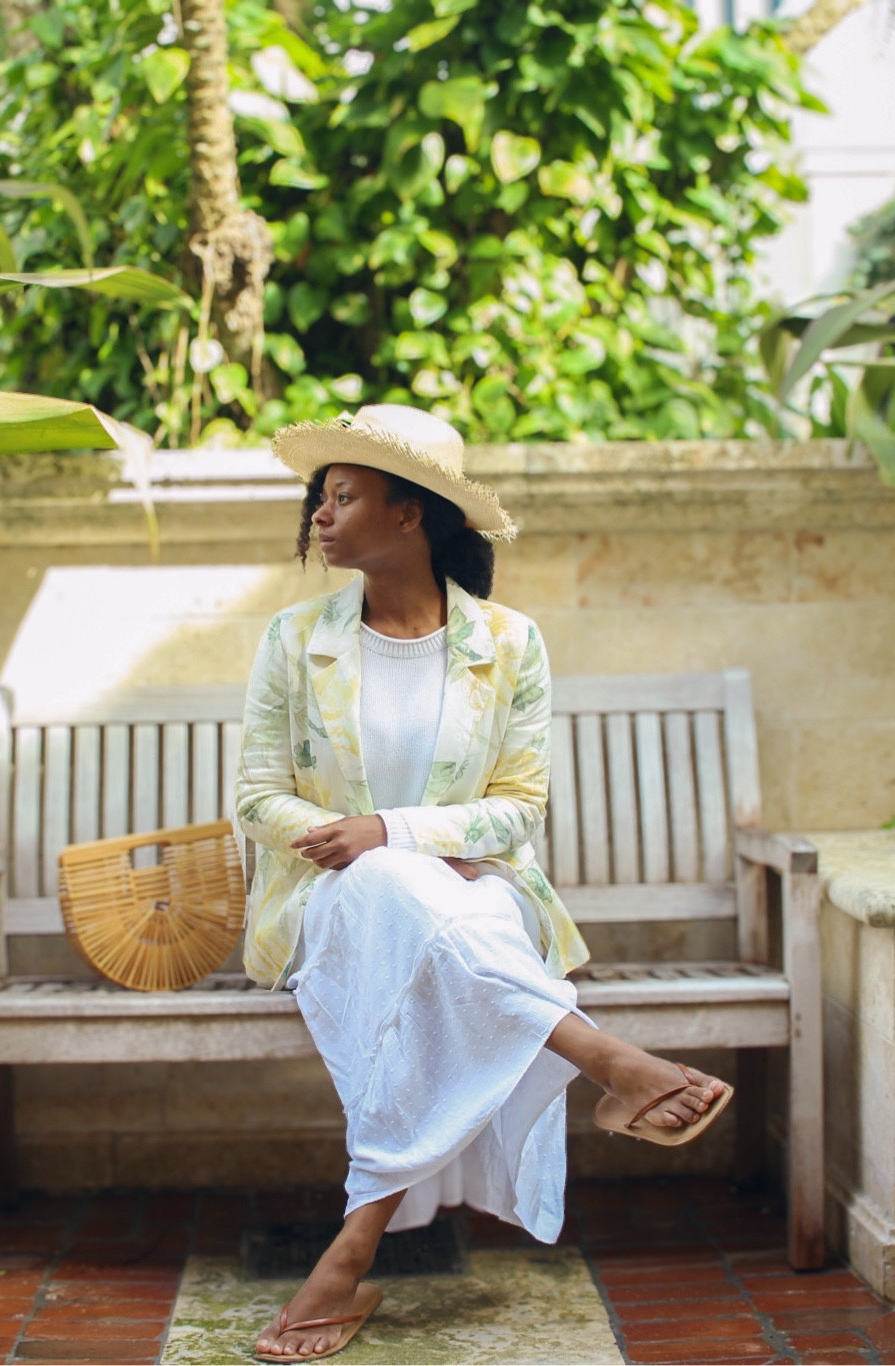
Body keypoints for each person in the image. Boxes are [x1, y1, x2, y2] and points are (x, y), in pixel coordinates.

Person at [234, 405, 732, 1364]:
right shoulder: (297, 641)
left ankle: (349, 1258)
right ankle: (610, 1062)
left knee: (426, 915)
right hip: (333, 900)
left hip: (482, 893)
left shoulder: (509, 643)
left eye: (344, 498)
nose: (320, 520)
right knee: (391, 890)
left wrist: (402, 832)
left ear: (411, 513)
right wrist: (369, 845)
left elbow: (519, 808)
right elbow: (258, 795)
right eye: (320, 500)